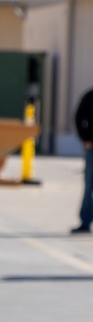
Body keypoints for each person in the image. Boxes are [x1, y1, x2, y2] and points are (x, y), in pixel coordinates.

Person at [72, 87, 93, 234]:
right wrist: (85, 138)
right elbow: (79, 117)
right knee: (89, 186)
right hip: (92, 148)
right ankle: (85, 221)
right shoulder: (90, 96)